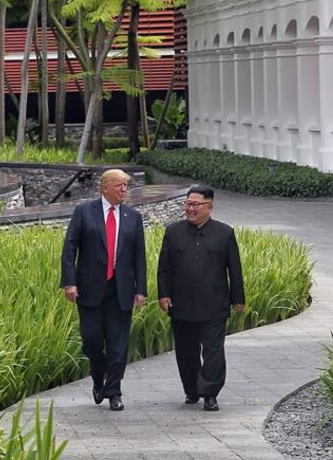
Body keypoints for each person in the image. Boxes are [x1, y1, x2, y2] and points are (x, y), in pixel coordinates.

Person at [61, 169, 147, 412]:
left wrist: (141, 289)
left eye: (126, 186)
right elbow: (70, 249)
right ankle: (98, 377)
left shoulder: (133, 216)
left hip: (121, 290)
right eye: (119, 185)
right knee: (91, 341)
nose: (124, 190)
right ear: (105, 187)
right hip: (89, 289)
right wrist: (70, 282)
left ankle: (114, 392)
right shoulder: (84, 212)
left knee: (118, 345)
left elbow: (139, 256)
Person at [157, 186, 245, 411]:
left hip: (214, 304)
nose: (190, 208)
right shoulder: (173, 231)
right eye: (188, 204)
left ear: (210, 207)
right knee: (186, 352)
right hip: (181, 303)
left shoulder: (225, 233)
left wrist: (238, 298)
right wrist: (164, 294)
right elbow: (164, 268)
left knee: (213, 350)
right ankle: (191, 390)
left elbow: (234, 269)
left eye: (196, 204)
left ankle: (210, 393)